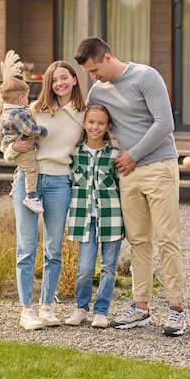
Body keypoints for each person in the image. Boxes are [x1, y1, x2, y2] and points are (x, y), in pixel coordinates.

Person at [74, 37, 186, 337]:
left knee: (167, 239)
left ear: (108, 57)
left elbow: (165, 124)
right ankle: (141, 307)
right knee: (137, 240)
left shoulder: (146, 76)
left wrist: (133, 154)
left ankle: (176, 310)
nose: (93, 77)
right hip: (126, 173)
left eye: (95, 70)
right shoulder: (98, 90)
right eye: (88, 73)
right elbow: (85, 123)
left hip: (158, 167)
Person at [2, 61, 85, 330]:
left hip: (60, 183)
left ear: (74, 79)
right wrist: (14, 146)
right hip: (28, 182)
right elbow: (7, 151)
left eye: (64, 77)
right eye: (54, 79)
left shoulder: (83, 115)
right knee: (26, 248)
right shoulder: (34, 110)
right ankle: (27, 310)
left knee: (53, 249)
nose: (59, 83)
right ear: (48, 83)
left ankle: (47, 306)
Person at [65, 104, 124, 329]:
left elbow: (121, 188)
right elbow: (69, 182)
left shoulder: (114, 155)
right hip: (84, 219)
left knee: (109, 266)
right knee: (85, 267)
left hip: (111, 218)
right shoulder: (75, 153)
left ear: (108, 126)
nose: (95, 127)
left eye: (101, 123)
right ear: (84, 124)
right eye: (91, 122)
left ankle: (101, 311)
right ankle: (81, 308)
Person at [0, 77, 47, 214]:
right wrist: (41, 130)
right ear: (20, 98)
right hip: (22, 148)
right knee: (31, 169)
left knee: (25, 167)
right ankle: (31, 197)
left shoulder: (8, 111)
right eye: (27, 97)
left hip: (13, 146)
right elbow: (28, 129)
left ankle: (15, 187)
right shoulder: (17, 114)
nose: (28, 101)